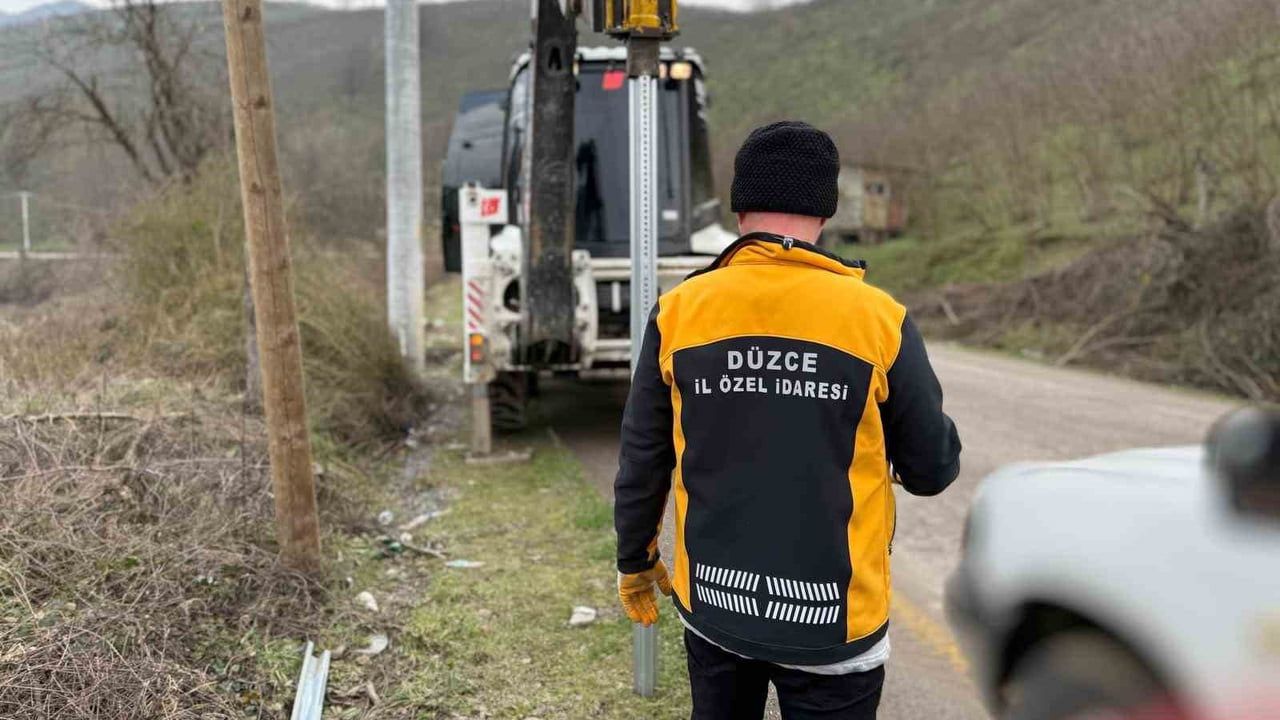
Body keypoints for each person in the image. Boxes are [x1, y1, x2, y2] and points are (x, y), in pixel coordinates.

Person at [613, 121, 962, 719]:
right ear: (824, 211)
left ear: (739, 204)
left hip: (716, 610)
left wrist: (635, 561)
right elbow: (932, 469)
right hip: (834, 622)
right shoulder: (879, 320)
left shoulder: (679, 312)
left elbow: (644, 456)